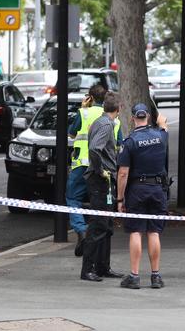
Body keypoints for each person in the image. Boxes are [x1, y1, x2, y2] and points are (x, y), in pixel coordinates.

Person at [117, 103, 169, 289]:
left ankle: (134, 276)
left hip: (137, 190)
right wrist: (161, 123)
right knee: (154, 231)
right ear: (147, 116)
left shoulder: (130, 142)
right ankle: (155, 276)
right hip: (157, 190)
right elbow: (164, 128)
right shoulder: (161, 137)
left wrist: (120, 199)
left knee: (136, 231)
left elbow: (123, 173)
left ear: (133, 118)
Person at [67, 84, 121, 257]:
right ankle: (98, 250)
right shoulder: (115, 120)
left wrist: (83, 108)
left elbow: (72, 134)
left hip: (81, 166)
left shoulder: (83, 113)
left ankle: (82, 230)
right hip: (102, 170)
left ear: (90, 97)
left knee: (72, 198)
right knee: (100, 205)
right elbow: (118, 144)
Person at [80, 91, 124, 282]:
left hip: (104, 181)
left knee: (106, 226)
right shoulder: (106, 125)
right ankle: (88, 269)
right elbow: (94, 150)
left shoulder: (100, 121)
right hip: (100, 181)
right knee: (98, 225)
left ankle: (102, 267)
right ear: (119, 109)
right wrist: (101, 171)